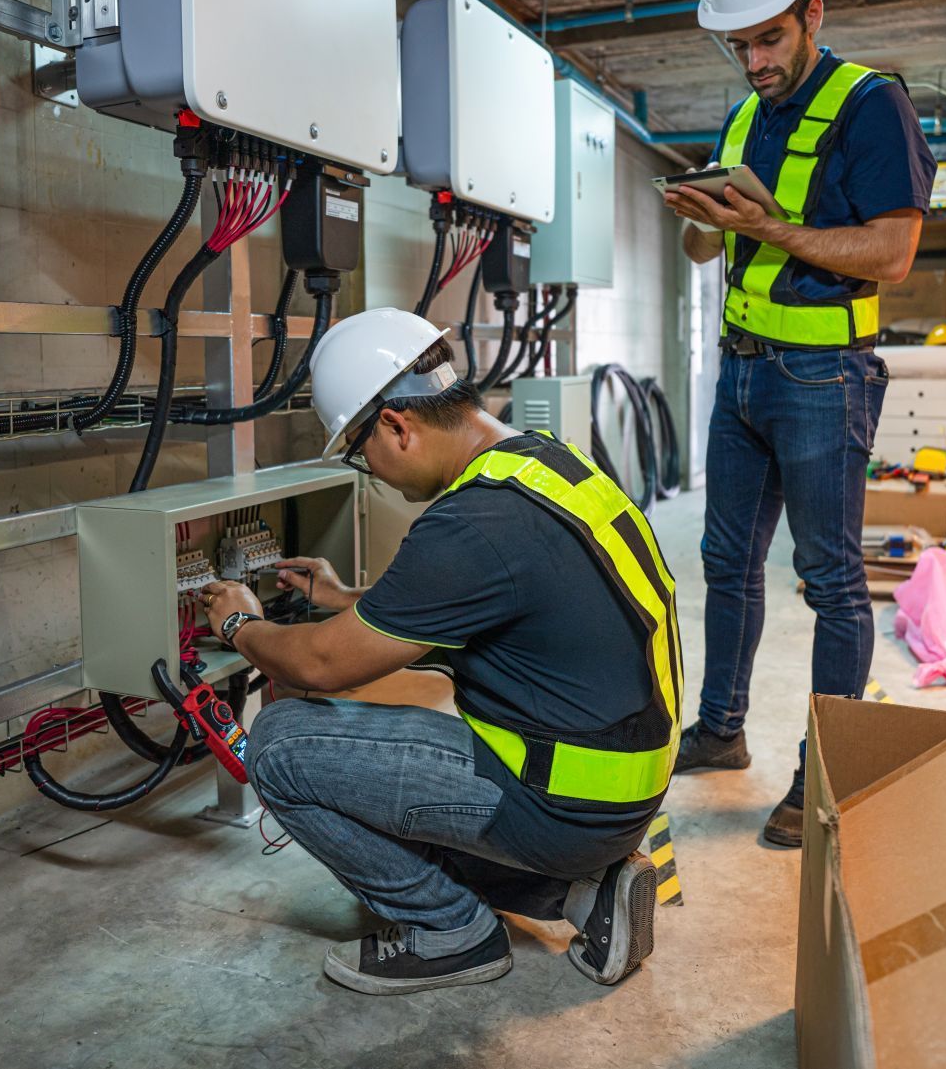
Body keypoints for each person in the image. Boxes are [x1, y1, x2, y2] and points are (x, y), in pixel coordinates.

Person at [196, 307, 683, 996]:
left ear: (396, 425)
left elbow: (320, 665)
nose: (371, 472)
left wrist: (239, 626)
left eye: (361, 452)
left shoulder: (471, 525)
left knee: (279, 744)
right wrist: (346, 599)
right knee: (400, 768)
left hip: (562, 802)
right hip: (620, 788)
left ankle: (451, 930)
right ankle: (583, 892)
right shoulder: (540, 461)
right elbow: (494, 603)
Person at [659, 0, 935, 849]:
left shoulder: (870, 104)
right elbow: (711, 245)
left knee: (831, 581)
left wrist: (773, 227)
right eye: (739, 44)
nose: (754, 61)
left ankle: (824, 771)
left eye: (768, 38)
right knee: (724, 564)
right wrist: (699, 216)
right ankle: (722, 729)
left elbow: (893, 252)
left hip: (824, 378)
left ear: (813, 12)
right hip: (741, 373)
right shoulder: (745, 115)